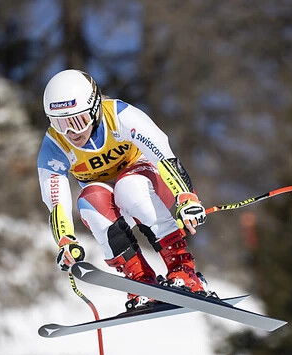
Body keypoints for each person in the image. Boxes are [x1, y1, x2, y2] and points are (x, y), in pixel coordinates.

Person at [37, 69, 209, 308]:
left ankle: (183, 270)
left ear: (95, 108)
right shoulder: (55, 146)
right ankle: (141, 281)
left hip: (149, 185)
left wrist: (186, 197)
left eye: (77, 121)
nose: (71, 133)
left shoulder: (120, 117)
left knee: (129, 187)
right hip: (112, 205)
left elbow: (163, 154)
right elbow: (56, 201)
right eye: (60, 124)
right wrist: (66, 241)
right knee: (88, 200)